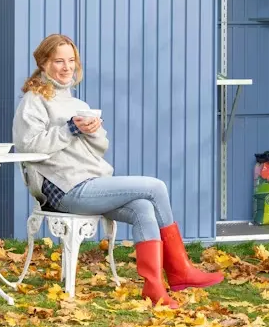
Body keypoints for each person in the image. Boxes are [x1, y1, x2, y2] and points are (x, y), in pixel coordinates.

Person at [12, 33, 223, 308]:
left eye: (71, 60)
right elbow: (27, 145)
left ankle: (154, 287)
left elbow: (100, 148)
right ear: (43, 63)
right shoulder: (34, 100)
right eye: (59, 61)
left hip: (91, 183)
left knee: (143, 208)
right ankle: (180, 270)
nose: (67, 67)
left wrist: (92, 130)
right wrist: (70, 128)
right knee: (155, 187)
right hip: (65, 190)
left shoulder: (78, 104)